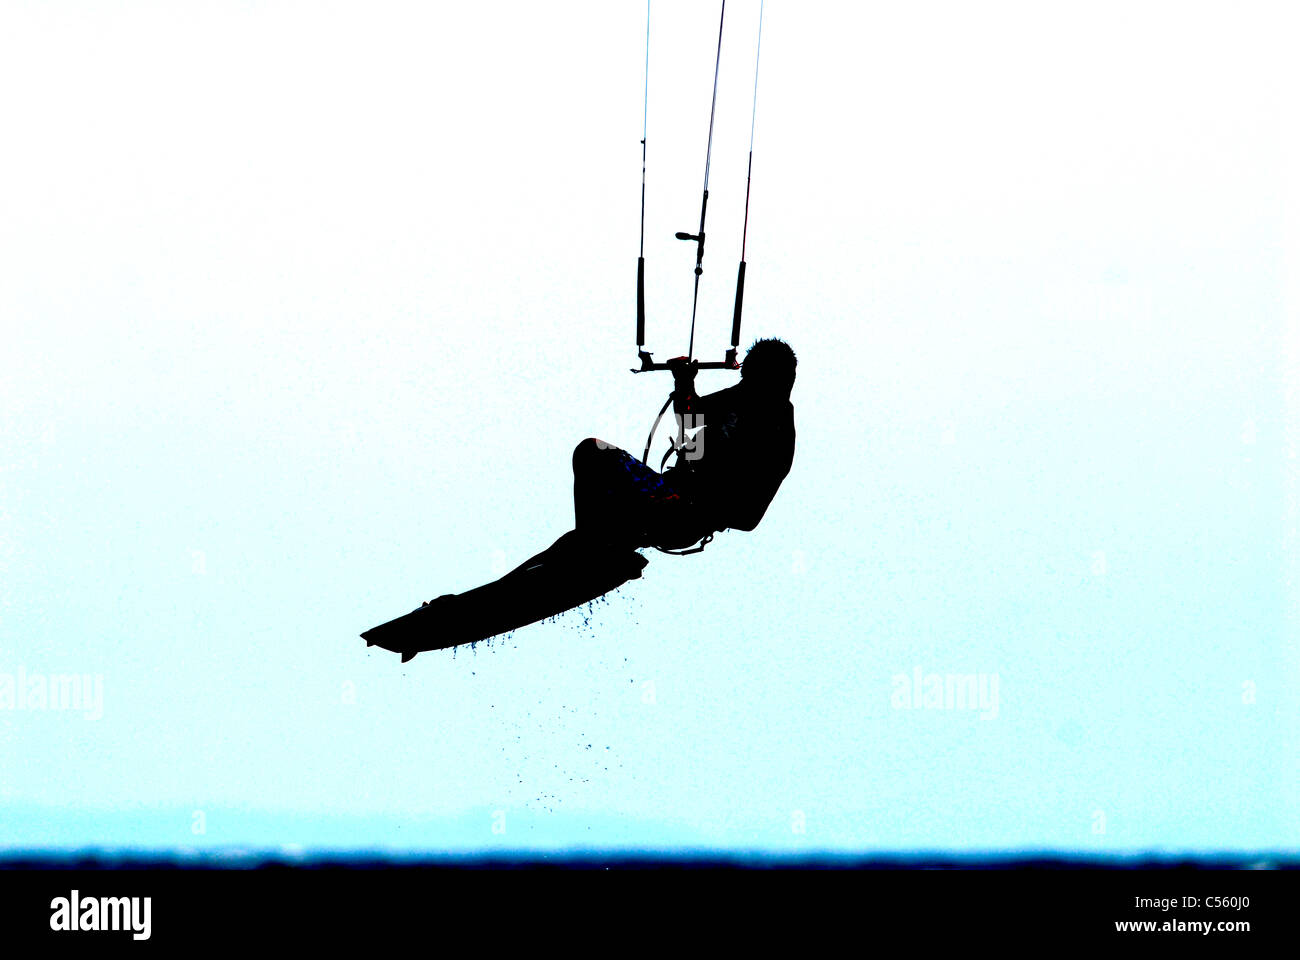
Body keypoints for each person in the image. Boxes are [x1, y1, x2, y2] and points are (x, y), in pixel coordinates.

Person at [513, 337, 797, 575]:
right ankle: (590, 549)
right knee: (572, 540)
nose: (746, 390)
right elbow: (689, 417)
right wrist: (684, 382)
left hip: (683, 512)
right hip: (664, 497)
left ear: (778, 385)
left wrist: (702, 501)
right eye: (747, 382)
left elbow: (748, 519)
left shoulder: (778, 431)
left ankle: (593, 550)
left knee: (591, 452)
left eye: (756, 383)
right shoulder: (742, 399)